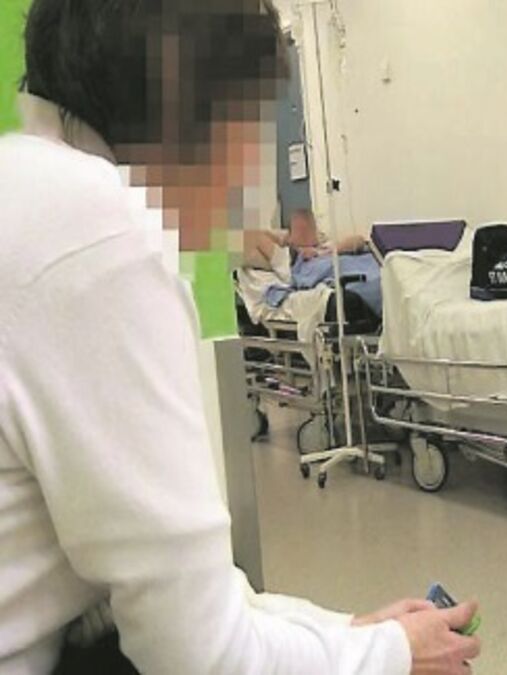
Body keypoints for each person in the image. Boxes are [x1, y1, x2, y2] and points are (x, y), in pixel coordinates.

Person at [0, 1, 479, 673]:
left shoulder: (24, 184)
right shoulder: (101, 236)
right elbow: (201, 656)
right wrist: (393, 654)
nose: (245, 182)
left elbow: (170, 591)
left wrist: (347, 633)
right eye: (249, 132)